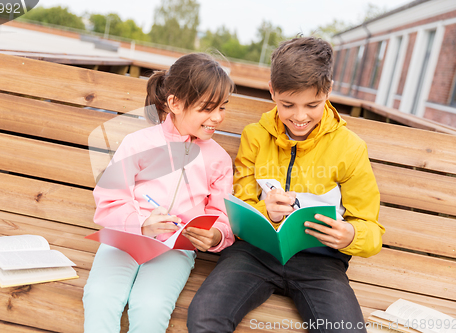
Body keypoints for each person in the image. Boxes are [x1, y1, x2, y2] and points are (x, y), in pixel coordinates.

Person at [187, 37, 385, 333]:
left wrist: (351, 235)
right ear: (272, 92)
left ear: (328, 91)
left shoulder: (350, 149)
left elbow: (371, 228)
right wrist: (267, 212)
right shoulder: (255, 137)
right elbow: (238, 203)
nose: (300, 116)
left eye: (312, 105)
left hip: (320, 263)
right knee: (204, 317)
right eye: (288, 104)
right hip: (254, 253)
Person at [83, 53, 236, 333]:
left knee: (150, 306)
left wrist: (216, 236)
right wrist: (140, 223)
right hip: (125, 239)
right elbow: (109, 198)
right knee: (100, 296)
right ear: (175, 103)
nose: (217, 117)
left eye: (222, 107)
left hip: (175, 250)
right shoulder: (138, 143)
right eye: (206, 108)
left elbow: (222, 218)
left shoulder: (220, 160)